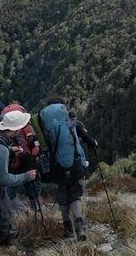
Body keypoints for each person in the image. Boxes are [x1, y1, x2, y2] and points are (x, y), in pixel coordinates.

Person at [40, 96, 98, 240]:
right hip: (75, 164)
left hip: (56, 167)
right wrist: (93, 144)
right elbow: (89, 140)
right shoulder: (72, 122)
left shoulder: (44, 127)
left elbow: (42, 148)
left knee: (62, 195)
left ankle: (67, 227)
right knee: (75, 195)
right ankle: (80, 226)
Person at [0, 108, 38, 245]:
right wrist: (26, 176)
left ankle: (4, 246)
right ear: (15, 129)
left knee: (7, 219)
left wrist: (11, 150)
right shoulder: (0, 147)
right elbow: (4, 179)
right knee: (4, 226)